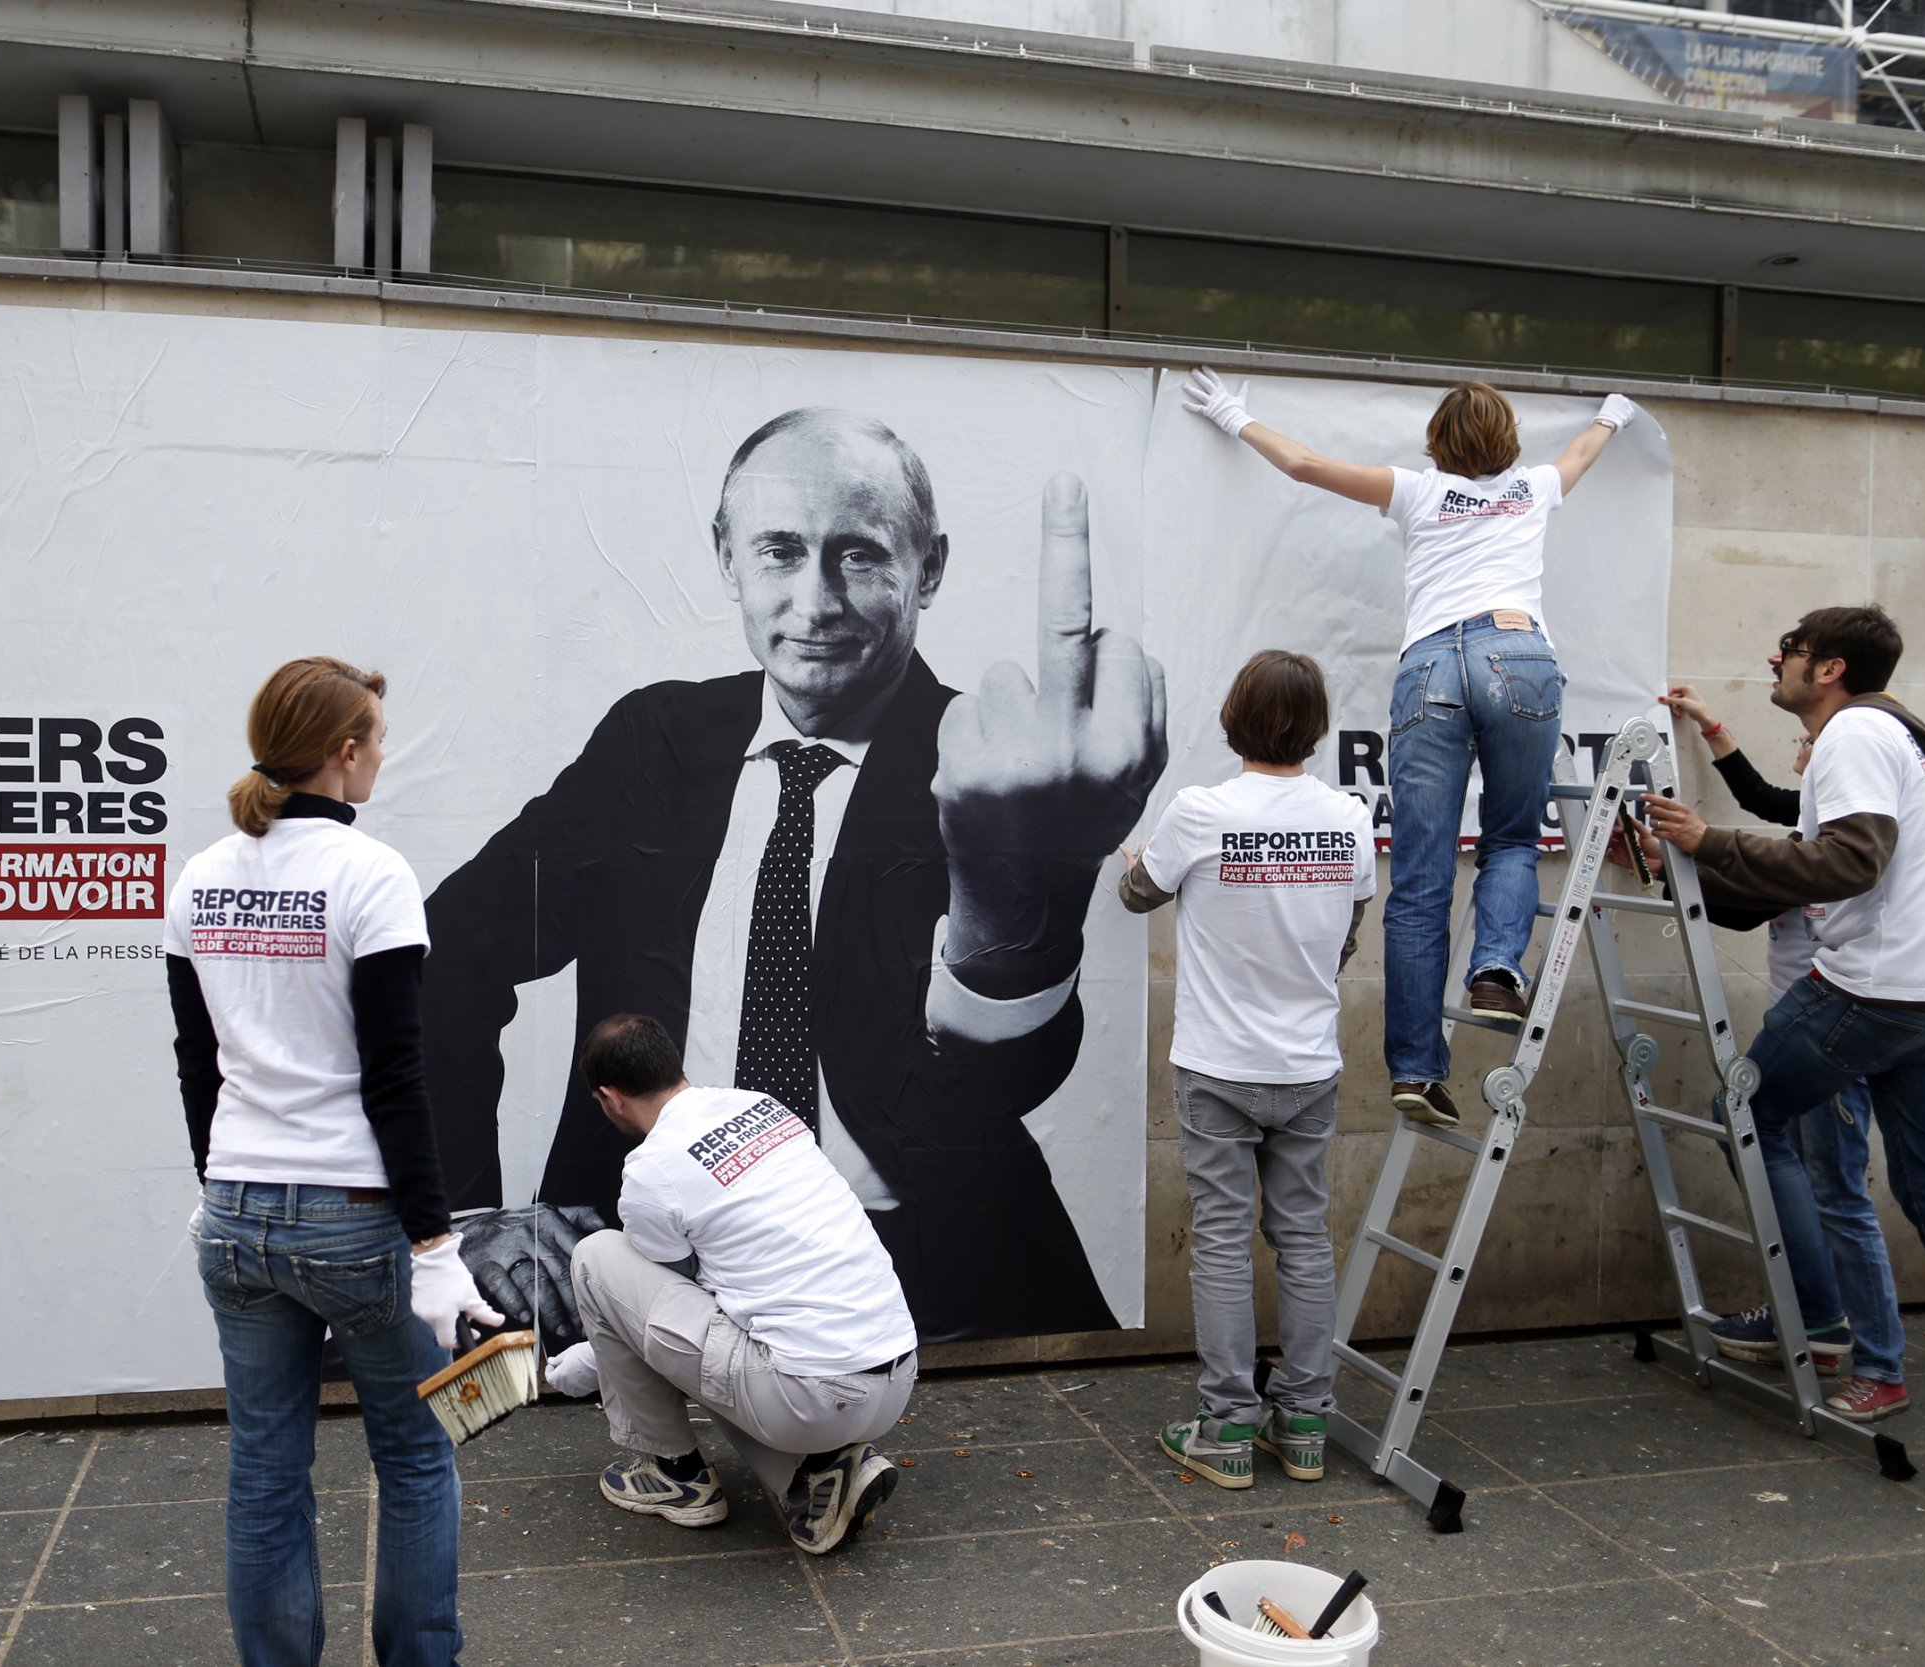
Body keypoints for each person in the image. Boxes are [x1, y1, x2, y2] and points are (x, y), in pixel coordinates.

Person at [423, 407, 1168, 1344]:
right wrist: (461, 1222)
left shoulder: (989, 761)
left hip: (914, 1261)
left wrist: (1015, 891)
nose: (815, 603)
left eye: (858, 555)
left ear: (927, 568)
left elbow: (997, 1078)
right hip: (650, 1236)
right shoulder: (654, 742)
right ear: (726, 555)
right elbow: (446, 952)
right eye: (779, 551)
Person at [1182, 369, 1632, 1129]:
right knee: (1513, 838)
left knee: (1420, 879)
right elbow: (1585, 451)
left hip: (1430, 668)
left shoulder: (1419, 490)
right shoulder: (1533, 488)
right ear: (1508, 440)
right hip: (1518, 652)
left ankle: (1418, 1072)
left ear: (1438, 443)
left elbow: (1303, 465)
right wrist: (1617, 413)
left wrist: (1231, 415)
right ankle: (1495, 966)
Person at [165, 657, 503, 1667]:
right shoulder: (372, 875)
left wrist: (215, 1184)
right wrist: (436, 1243)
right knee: (413, 1456)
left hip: (236, 1216)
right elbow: (398, 1077)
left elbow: (197, 1064)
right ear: (342, 752)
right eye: (375, 740)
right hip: (355, 1218)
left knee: (265, 1470)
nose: (382, 756)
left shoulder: (201, 874)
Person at [1639, 607, 1925, 1486]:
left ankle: (1817, 1321)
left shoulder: (1852, 734)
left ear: (1829, 667)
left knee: (1746, 1111)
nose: (1776, 656)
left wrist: (1706, 839)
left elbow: (1848, 862)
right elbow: (1811, 856)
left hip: (1871, 993)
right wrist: (1689, 855)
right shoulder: (1891, 735)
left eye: (1791, 649)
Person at [1117, 651, 1376, 1488]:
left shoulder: (1201, 810)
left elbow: (1137, 894)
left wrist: (1134, 858)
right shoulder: (1347, 817)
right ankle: (1304, 1422)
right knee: (1303, 1236)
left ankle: (1226, 1427)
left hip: (1219, 1065)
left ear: (1233, 717)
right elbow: (1348, 932)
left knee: (1224, 1242)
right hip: (1308, 1063)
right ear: (1316, 726)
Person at [543, 1012, 919, 1555]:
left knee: (597, 1255)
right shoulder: (761, 1106)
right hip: (897, 1374)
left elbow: (666, 1316)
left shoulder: (652, 1170)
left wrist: (587, 1363)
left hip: (808, 1396)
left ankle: (677, 1474)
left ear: (610, 1097)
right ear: (673, 1066)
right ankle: (818, 1474)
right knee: (747, 1337)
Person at [1659, 681, 1909, 1423]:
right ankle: (1818, 1319)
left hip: (1830, 1027)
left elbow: (1745, 897)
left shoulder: (1819, 851)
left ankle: (1863, 1349)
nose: (1807, 759)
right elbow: (1769, 797)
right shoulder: (1812, 831)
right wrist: (1712, 729)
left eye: (1813, 751)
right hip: (1816, 1024)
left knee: (1837, 1191)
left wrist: (1679, 862)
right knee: (1818, 1179)